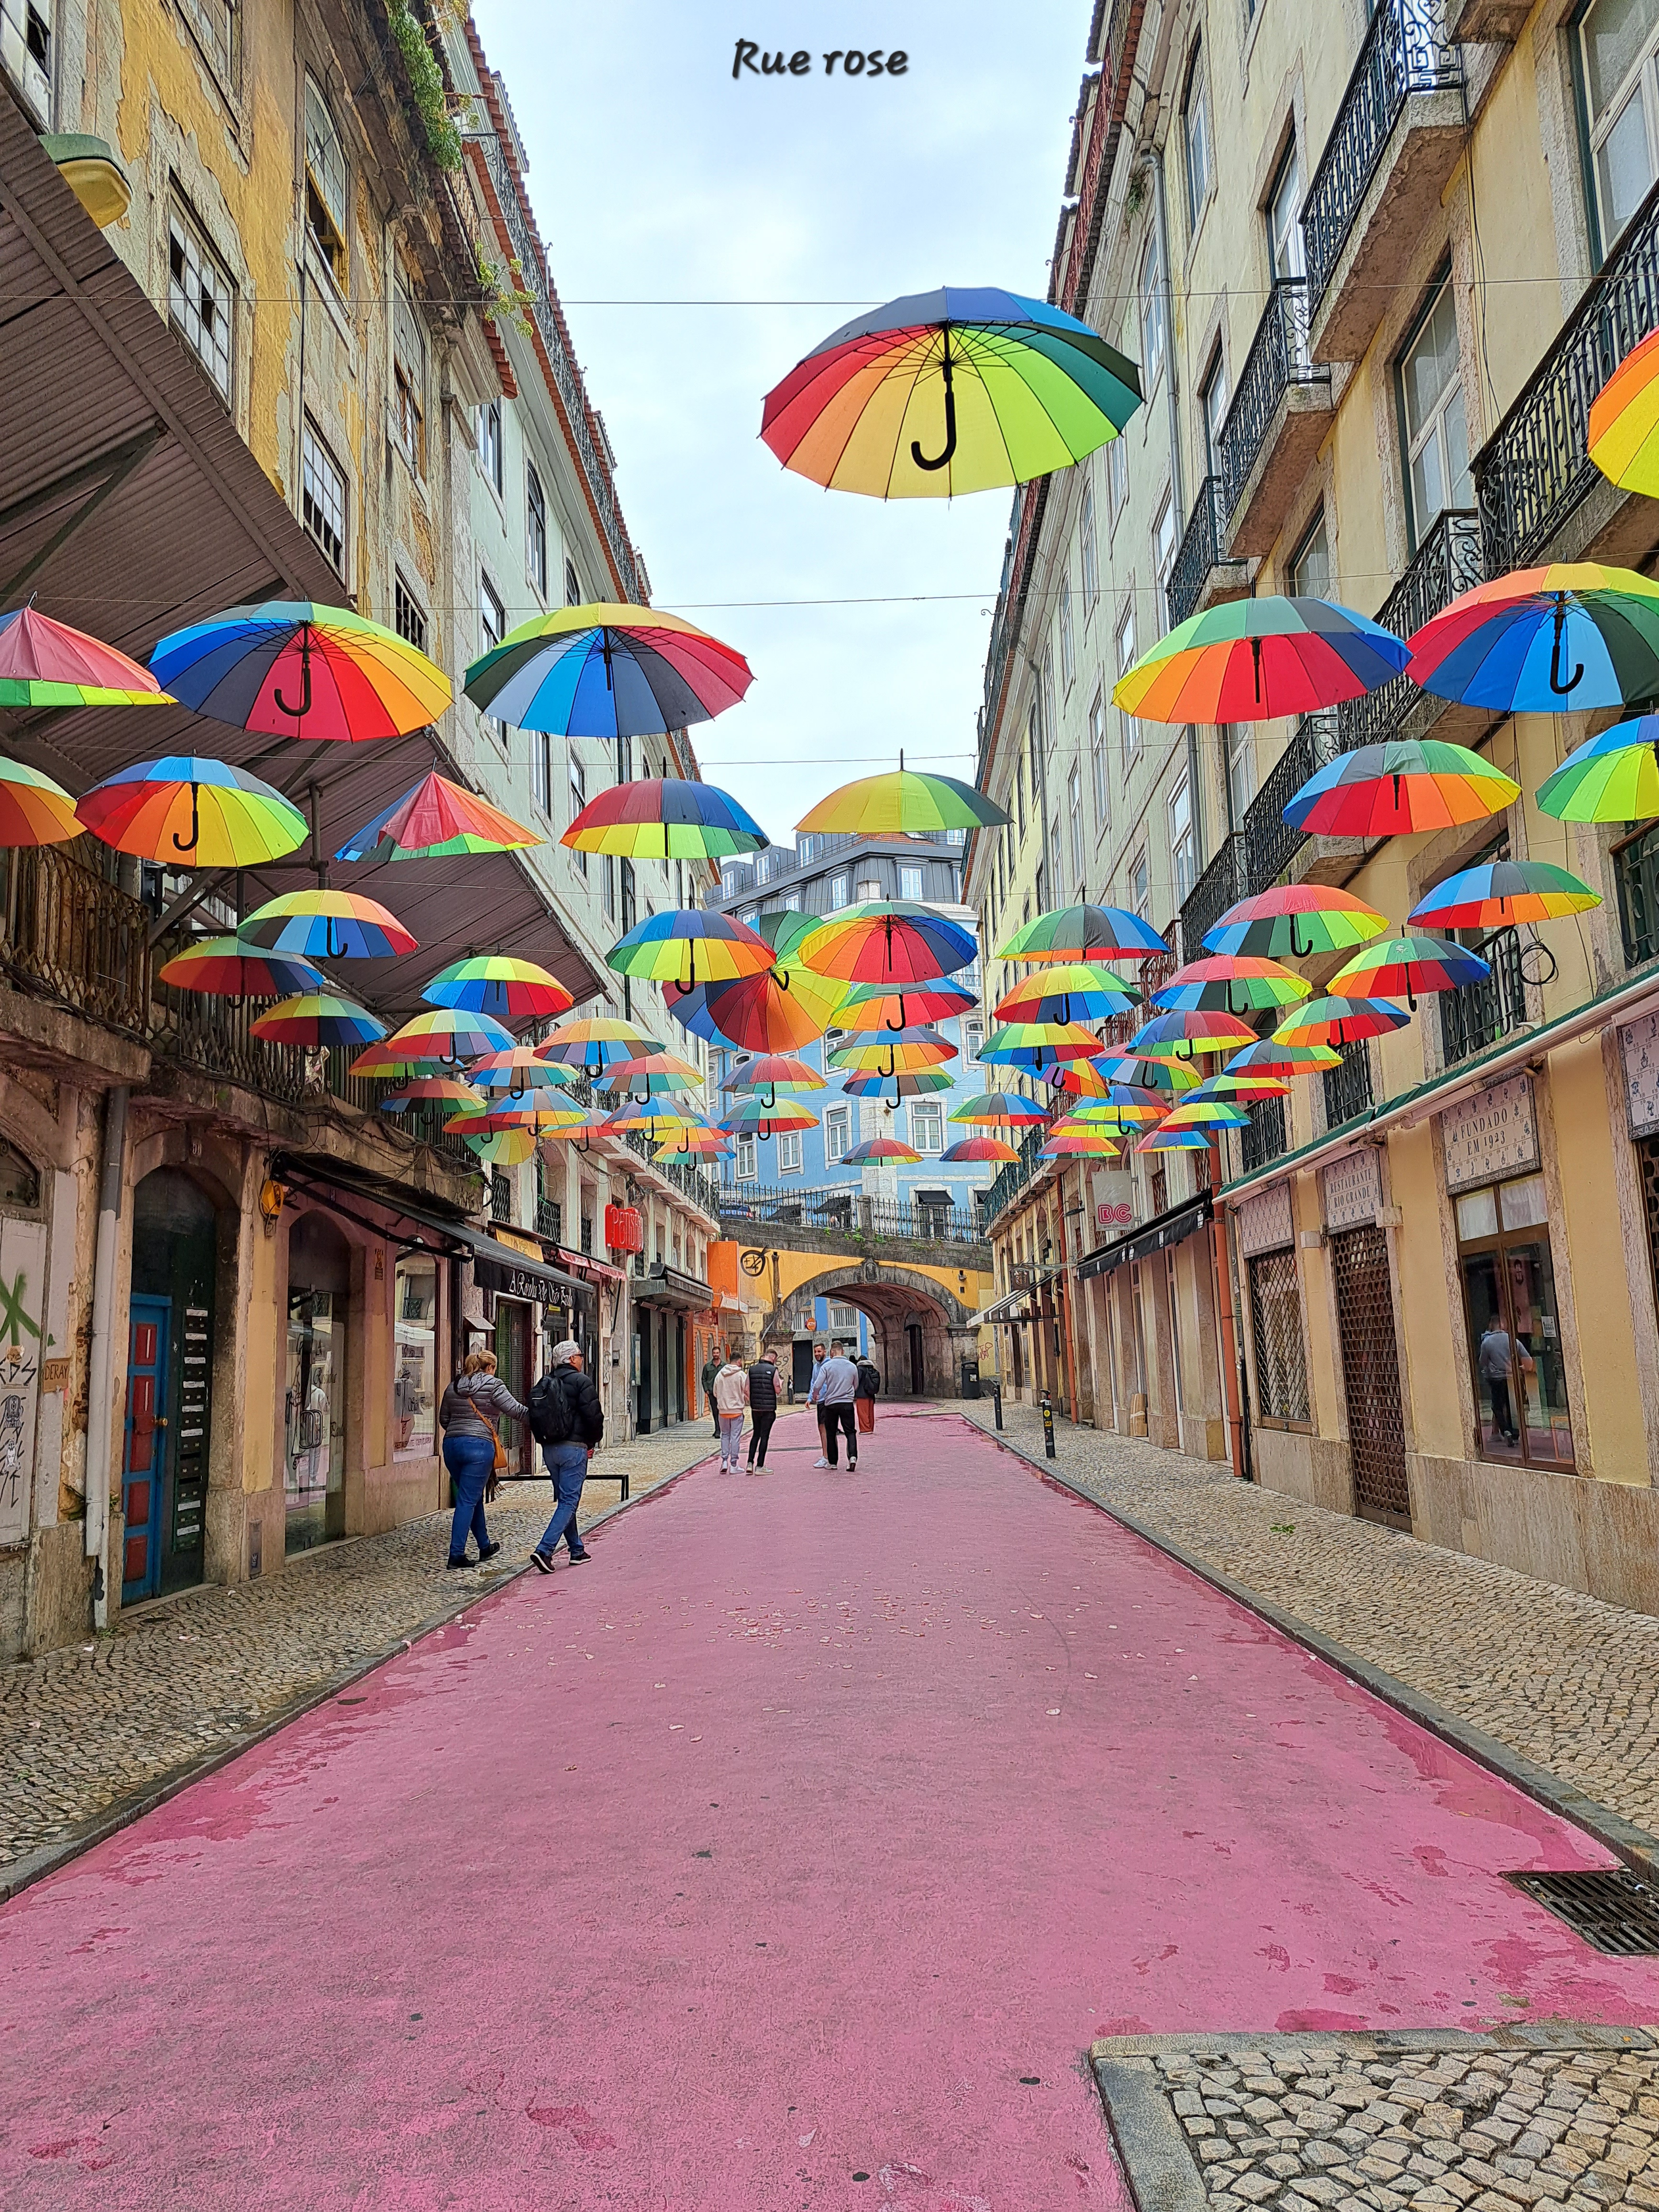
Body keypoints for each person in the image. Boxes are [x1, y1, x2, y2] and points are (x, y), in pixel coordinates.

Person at [437, 1347, 524, 1570]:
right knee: (467, 1500)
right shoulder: (494, 1385)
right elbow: (515, 1410)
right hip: (479, 1447)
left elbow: (444, 1419)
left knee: (472, 1497)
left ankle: (484, 1546)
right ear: (491, 1367)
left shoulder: (453, 1387)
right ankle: (456, 1555)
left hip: (452, 1446)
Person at [529, 1339, 605, 1572]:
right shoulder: (582, 1381)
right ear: (572, 1359)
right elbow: (594, 1416)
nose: (582, 1359)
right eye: (580, 1355)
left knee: (565, 1500)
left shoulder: (545, 1383)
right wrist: (593, 1441)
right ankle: (544, 1550)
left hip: (550, 1449)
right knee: (570, 1501)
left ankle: (577, 1550)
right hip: (574, 1448)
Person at [1478, 1319, 1532, 1445]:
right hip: (1512, 1377)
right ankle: (1515, 1433)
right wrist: (1521, 1369)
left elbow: (1483, 1362)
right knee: (1512, 1405)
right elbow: (1528, 1360)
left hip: (1496, 1378)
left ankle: (1506, 1430)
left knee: (1497, 1406)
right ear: (1503, 1327)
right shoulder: (1514, 1341)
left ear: (1491, 1327)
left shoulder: (1487, 1343)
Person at [817, 1339, 861, 1471]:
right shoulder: (852, 1366)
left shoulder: (827, 1367)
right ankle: (852, 1457)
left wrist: (815, 1395)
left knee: (831, 1433)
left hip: (831, 1403)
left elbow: (818, 1384)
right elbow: (856, 1384)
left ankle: (833, 1462)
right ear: (843, 1351)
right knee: (850, 1431)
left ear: (832, 1352)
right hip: (847, 1403)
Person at [712, 1351, 750, 1473]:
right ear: (739, 1361)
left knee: (725, 1436)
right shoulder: (741, 1375)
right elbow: (747, 1391)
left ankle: (724, 1461)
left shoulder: (720, 1375)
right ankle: (734, 1464)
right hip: (737, 1410)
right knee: (735, 1437)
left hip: (723, 1411)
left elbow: (715, 1392)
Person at [746, 1348, 779, 1472]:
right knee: (764, 1436)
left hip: (755, 1408)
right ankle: (760, 1466)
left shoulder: (752, 1370)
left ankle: (750, 1463)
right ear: (773, 1359)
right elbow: (778, 1389)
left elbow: (746, 1388)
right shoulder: (773, 1370)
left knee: (756, 1434)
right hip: (769, 1409)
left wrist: (752, 1400)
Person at [806, 1341, 830, 1467]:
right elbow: (813, 1382)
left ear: (825, 1352)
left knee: (826, 1428)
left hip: (829, 1400)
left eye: (819, 1351)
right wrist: (810, 1398)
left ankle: (827, 1456)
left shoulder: (830, 1364)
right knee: (822, 1428)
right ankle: (826, 1455)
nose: (817, 1354)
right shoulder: (816, 1367)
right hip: (820, 1401)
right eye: (815, 1352)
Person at [854, 1347, 881, 1436]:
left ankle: (865, 1429)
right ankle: (870, 1428)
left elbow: (857, 1381)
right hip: (871, 1395)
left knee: (863, 1413)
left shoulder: (860, 1369)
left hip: (862, 1395)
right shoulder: (872, 1369)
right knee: (870, 1413)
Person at [700, 1345, 723, 1439]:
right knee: (715, 1411)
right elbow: (704, 1379)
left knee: (722, 1411)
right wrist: (706, 1390)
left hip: (722, 1393)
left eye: (717, 1353)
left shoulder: (725, 1366)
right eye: (714, 1353)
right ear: (712, 1354)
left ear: (720, 1353)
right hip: (711, 1392)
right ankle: (717, 1429)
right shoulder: (707, 1366)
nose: (716, 1355)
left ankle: (721, 1429)